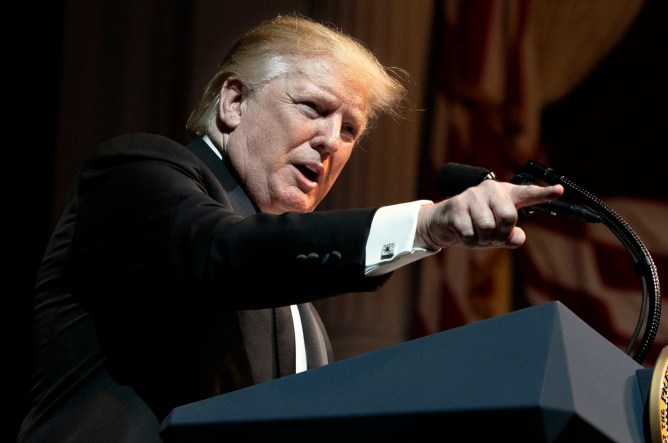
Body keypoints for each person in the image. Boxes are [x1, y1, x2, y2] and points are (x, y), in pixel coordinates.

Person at [18, 14, 563, 442]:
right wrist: (426, 223)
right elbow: (221, 253)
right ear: (234, 102)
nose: (331, 141)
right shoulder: (134, 172)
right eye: (313, 108)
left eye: (350, 129)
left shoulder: (303, 318)